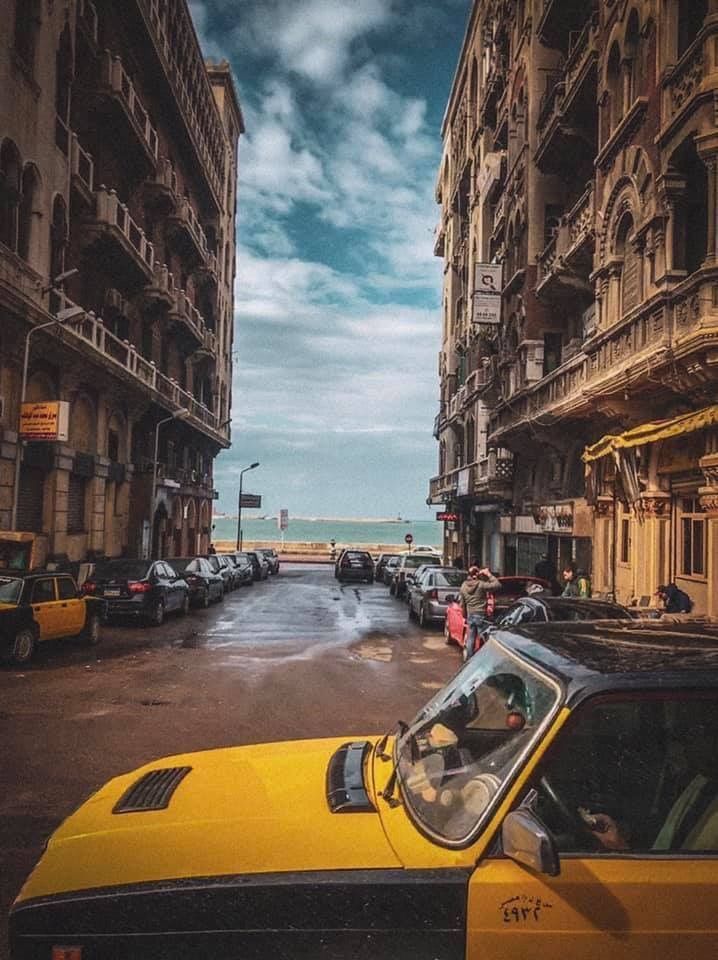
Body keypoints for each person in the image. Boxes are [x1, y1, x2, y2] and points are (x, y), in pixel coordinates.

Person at [459, 565, 501, 659]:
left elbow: (462, 604)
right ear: (477, 574)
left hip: (470, 615)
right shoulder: (481, 584)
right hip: (480, 615)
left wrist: (465, 616)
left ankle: (469, 659)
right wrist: (488, 574)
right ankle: (485, 658)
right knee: (484, 638)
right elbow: (497, 585)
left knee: (471, 638)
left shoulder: (463, 586)